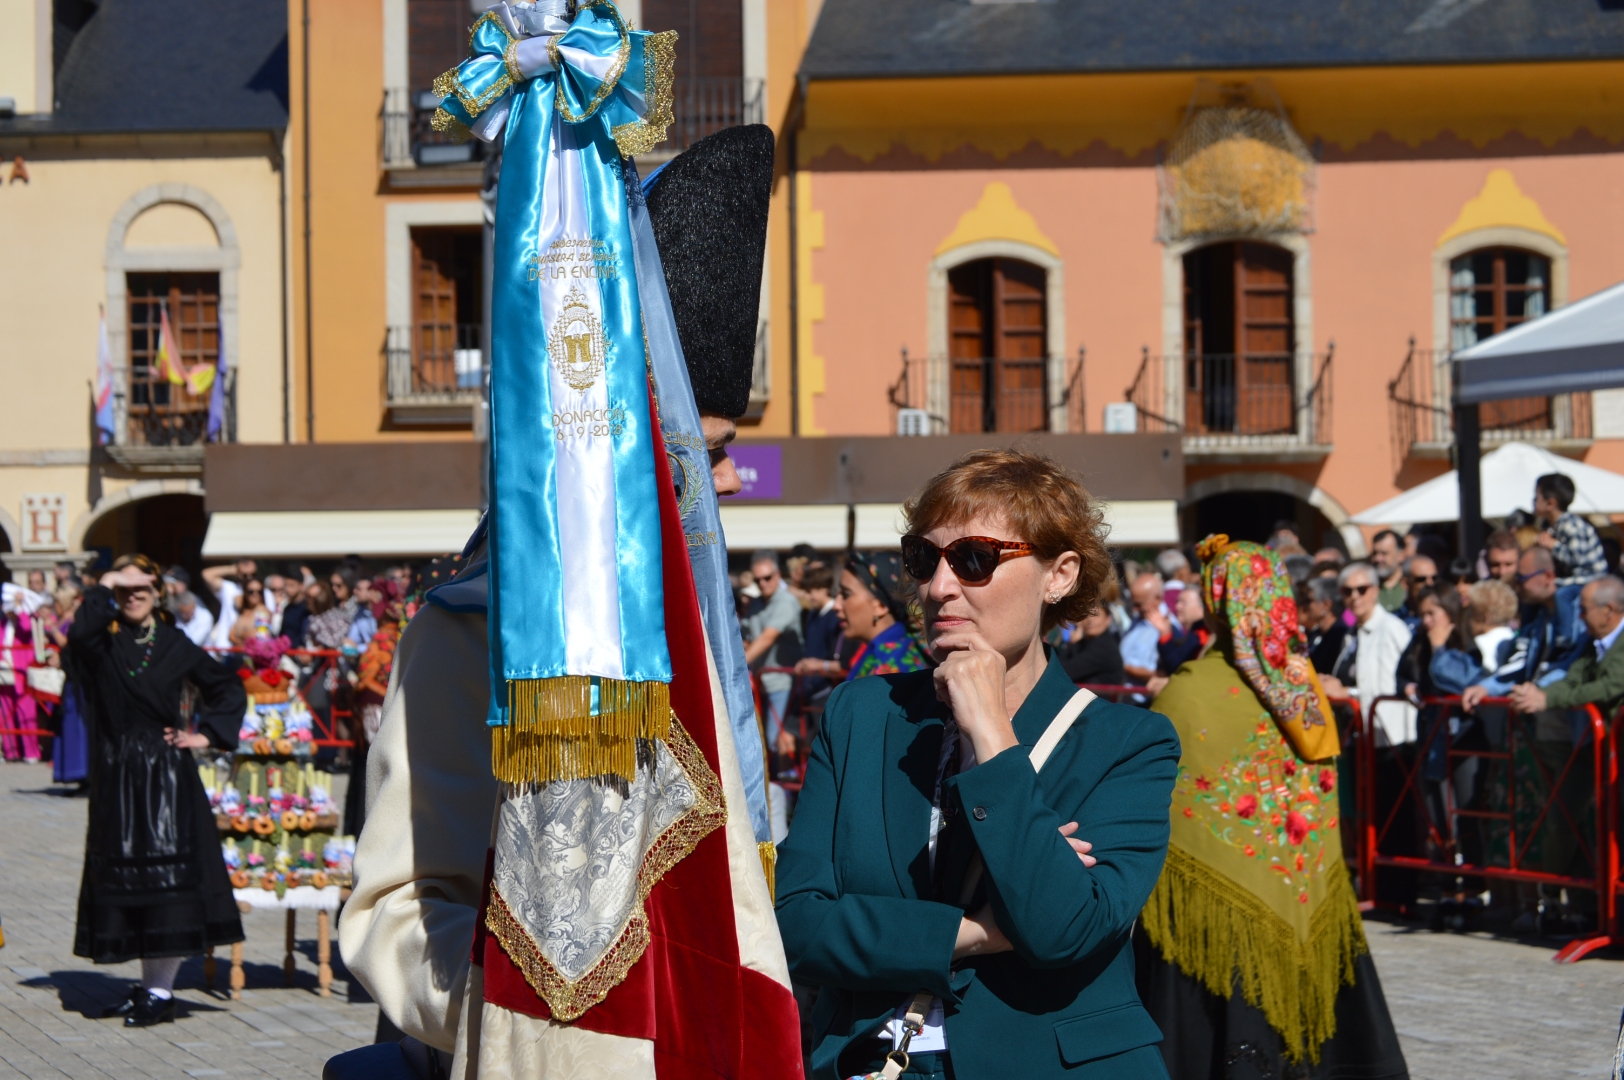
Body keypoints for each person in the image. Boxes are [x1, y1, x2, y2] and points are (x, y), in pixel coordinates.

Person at [338, 120, 797, 1076]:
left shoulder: (703, 625)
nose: (710, 488)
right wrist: (541, 1031)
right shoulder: (472, 629)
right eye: (685, 456)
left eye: (711, 458)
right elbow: (396, 908)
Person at [776, 448, 1181, 1079]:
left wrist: (991, 732)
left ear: (1061, 574)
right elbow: (798, 923)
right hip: (876, 1059)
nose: (939, 587)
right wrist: (975, 933)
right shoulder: (862, 711)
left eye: (974, 559)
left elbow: (1061, 929)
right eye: (923, 558)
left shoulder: (1129, 743)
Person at [1139, 537, 1407, 1080]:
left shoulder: (1187, 696)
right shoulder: (1304, 693)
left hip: (1215, 934)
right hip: (1301, 897)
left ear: (1218, 601)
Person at [65, 555, 246, 1026]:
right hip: (116, 776)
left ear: (156, 591)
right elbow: (78, 633)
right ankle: (149, 987)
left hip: (167, 778)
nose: (131, 596)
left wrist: (204, 735)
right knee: (132, 884)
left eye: (140, 588)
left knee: (168, 888)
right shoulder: (100, 642)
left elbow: (225, 687)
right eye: (123, 590)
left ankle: (161, 992)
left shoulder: (173, 642)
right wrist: (107, 580)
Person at [744, 550, 804, 756]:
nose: (762, 583)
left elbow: (766, 638)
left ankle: (782, 787)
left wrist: (736, 668)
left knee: (773, 743)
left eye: (767, 578)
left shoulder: (786, 601)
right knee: (758, 743)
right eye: (757, 579)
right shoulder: (757, 603)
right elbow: (747, 637)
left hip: (782, 683)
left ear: (778, 575)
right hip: (760, 683)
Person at [46, 583, 90, 788]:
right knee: (70, 726)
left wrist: (54, 630)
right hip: (71, 678)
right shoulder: (71, 618)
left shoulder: (78, 618)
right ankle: (77, 775)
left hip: (81, 681)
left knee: (80, 727)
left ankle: (84, 774)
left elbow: (71, 644)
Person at [1534, 472, 1609, 587]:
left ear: (1550, 503)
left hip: (1591, 580)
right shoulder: (1548, 526)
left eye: (1536, 497)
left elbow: (1577, 559)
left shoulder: (1573, 525)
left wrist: (1553, 545)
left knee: (1559, 595)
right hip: (1573, 579)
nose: (1533, 501)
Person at [1056, 575, 1127, 686]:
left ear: (1108, 619)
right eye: (1086, 615)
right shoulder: (1085, 642)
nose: (1090, 620)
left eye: (1096, 615)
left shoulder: (1104, 647)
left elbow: (1066, 671)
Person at [1121, 571, 1174, 690]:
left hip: (1146, 698)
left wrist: (1124, 668)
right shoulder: (1137, 619)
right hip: (1126, 695)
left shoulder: (1169, 627)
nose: (1135, 609)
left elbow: (1166, 673)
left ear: (1157, 599)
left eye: (1139, 604)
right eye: (1133, 604)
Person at [201, 558, 255, 650]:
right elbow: (206, 574)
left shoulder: (261, 593)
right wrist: (234, 569)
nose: (249, 578)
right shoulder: (230, 588)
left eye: (253, 575)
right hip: (226, 648)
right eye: (245, 575)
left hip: (251, 648)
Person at [1300, 576, 1348, 675]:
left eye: (1310, 601)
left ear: (1326, 605)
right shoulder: (1315, 634)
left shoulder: (1340, 635)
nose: (1306, 606)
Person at [1369, 530, 1406, 613]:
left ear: (1401, 555)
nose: (1378, 559)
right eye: (1375, 553)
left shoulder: (1412, 584)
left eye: (1384, 553)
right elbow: (1347, 620)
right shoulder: (1365, 587)